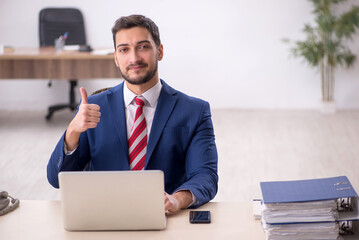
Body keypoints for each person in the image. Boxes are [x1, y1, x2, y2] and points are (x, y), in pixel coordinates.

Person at [47, 14, 218, 214]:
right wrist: (73, 131)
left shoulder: (194, 111)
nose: (134, 58)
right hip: (105, 216)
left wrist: (177, 199)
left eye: (143, 47)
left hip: (165, 219)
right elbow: (56, 179)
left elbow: (205, 176)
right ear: (116, 58)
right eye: (124, 49)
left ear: (159, 51)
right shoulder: (93, 107)